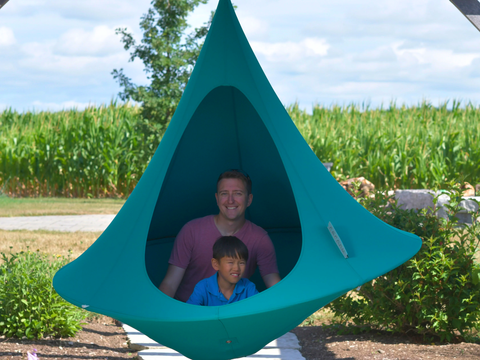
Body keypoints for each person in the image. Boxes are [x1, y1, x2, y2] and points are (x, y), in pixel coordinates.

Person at [159, 169, 281, 302]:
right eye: (224, 194)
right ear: (217, 199)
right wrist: (159, 317)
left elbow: (276, 288)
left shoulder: (260, 239)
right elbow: (170, 284)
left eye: (237, 193)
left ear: (249, 199)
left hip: (232, 315)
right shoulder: (191, 231)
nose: (230, 200)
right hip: (189, 314)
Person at [187, 236, 258, 306]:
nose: (236, 268)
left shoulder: (248, 287)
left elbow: (261, 310)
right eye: (230, 262)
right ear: (216, 264)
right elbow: (189, 314)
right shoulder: (203, 287)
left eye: (241, 263)